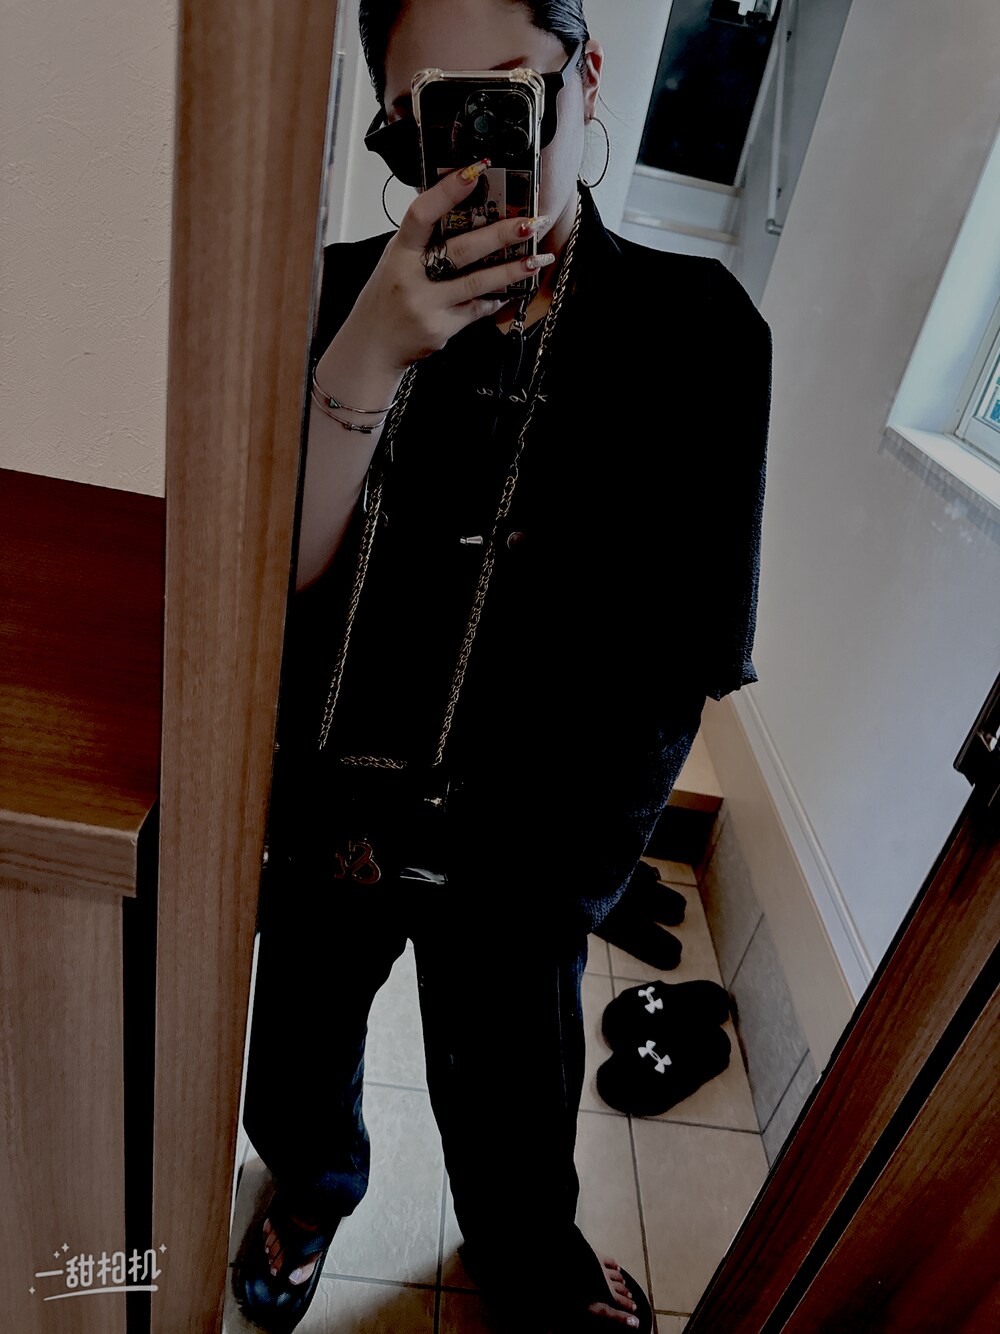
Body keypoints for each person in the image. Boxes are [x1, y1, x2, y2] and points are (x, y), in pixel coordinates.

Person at [233, 2, 771, 1331]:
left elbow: (689, 651)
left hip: (531, 845)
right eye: (436, 119)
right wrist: (366, 356)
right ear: (392, 129)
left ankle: (525, 1253)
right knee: (297, 1052)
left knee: (515, 1096)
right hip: (329, 812)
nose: (476, 160)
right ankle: (313, 1190)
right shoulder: (322, 296)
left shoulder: (701, 332)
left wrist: (573, 882)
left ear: (586, 76)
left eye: (511, 99)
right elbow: (259, 595)